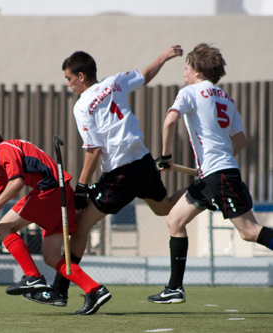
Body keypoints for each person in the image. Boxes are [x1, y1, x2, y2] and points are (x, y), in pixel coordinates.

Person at [25, 45, 187, 307]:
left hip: (120, 173)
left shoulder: (82, 106)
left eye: (68, 79)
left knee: (80, 225)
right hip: (144, 162)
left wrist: (81, 186)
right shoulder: (115, 82)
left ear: (80, 75)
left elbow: (93, 150)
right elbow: (145, 75)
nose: (68, 85)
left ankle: (61, 290)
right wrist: (164, 57)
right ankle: (202, 190)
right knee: (165, 208)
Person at [147, 43, 273, 304]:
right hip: (215, 175)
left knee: (249, 232)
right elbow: (240, 141)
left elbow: (169, 120)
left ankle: (174, 288)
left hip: (219, 176)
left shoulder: (190, 92)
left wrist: (166, 157)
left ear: (197, 69)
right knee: (175, 220)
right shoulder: (226, 97)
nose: (184, 73)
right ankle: (174, 289)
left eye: (186, 68)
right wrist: (220, 159)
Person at [0, 123, 111, 315]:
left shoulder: (6, 150)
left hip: (49, 192)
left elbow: (17, 183)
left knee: (3, 228)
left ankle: (32, 276)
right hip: (58, 194)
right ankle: (94, 289)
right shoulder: (0, 165)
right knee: (51, 257)